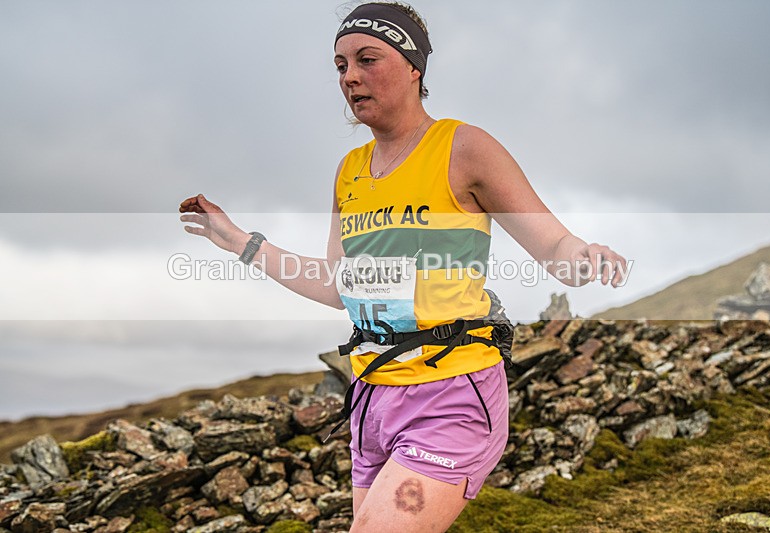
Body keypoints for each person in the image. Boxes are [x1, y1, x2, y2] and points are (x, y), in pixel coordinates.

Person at [179, 2, 627, 531]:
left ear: (415, 67)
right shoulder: (350, 171)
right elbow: (336, 285)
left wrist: (586, 257)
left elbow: (554, 248)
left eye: (368, 59)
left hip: (452, 394)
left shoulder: (463, 148)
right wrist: (242, 244)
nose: (351, 77)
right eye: (341, 65)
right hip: (372, 398)